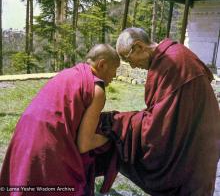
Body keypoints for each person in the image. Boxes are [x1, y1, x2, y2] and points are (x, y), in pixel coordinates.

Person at [100, 27, 220, 195]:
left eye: (128, 59)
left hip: (195, 147)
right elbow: (167, 111)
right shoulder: (175, 53)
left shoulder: (174, 62)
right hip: (198, 139)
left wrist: (118, 122)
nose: (132, 66)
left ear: (139, 46)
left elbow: (159, 125)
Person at [0, 44, 120, 196]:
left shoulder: (66, 73)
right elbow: (85, 144)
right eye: (115, 68)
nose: (115, 75)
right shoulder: (97, 90)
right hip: (48, 145)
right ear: (102, 64)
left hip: (23, 136)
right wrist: (111, 137)